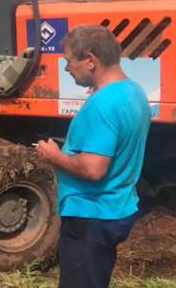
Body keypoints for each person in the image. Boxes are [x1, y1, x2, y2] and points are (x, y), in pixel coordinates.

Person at [35, 25, 150, 288]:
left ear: (90, 60)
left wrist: (53, 155)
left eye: (68, 62)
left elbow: (93, 168)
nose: (66, 69)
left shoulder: (102, 104)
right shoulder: (133, 91)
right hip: (116, 208)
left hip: (91, 215)